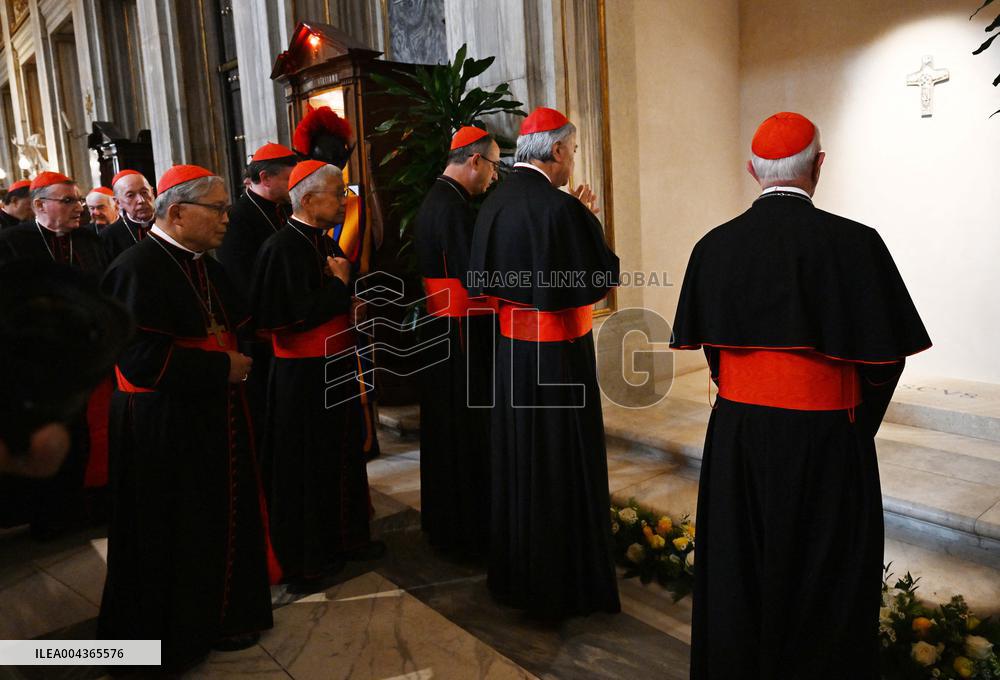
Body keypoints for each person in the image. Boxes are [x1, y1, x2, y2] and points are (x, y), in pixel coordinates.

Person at [670, 112, 932, 679]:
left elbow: (715, 354)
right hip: (826, 438)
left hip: (738, 437)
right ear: (819, 166)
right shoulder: (857, 244)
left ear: (752, 170)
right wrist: (851, 426)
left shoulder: (713, 246)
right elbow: (884, 360)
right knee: (825, 580)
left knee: (741, 568)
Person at [99, 164, 276, 672]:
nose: (227, 218)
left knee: (213, 520)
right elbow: (138, 359)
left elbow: (239, 322)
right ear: (177, 213)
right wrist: (221, 368)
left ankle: (223, 616)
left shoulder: (205, 265)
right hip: (161, 424)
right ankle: (175, 638)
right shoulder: (137, 268)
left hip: (211, 414)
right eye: (217, 209)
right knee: (173, 532)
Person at [467, 107, 621, 618]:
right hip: (559, 360)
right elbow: (601, 279)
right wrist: (587, 219)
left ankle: (518, 577)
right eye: (572, 151)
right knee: (559, 461)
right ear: (556, 151)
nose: (572, 160)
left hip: (512, 356)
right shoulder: (562, 209)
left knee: (520, 459)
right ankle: (564, 585)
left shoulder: (494, 202)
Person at [250, 160, 380, 594]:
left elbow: (336, 300)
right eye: (337, 193)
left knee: (343, 454)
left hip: (337, 364)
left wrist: (353, 304)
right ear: (307, 199)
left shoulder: (325, 241)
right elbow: (286, 317)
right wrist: (340, 288)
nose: (345, 200)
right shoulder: (280, 248)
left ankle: (346, 538)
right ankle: (309, 558)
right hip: (303, 376)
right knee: (307, 466)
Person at [0, 172, 107, 536]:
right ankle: (48, 518)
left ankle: (85, 509)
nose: (79, 208)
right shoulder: (13, 243)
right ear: (39, 205)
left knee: (85, 436)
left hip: (86, 358)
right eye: (68, 201)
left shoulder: (89, 241)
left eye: (78, 200)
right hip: (38, 363)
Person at [413, 126, 499, 557]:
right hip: (461, 332)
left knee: (446, 431)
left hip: (441, 330)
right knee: (464, 433)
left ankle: (446, 525)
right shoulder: (454, 207)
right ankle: (468, 533)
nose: (494, 176)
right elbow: (475, 276)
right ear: (475, 161)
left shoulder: (437, 198)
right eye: (494, 166)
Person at [293, 105, 382, 461]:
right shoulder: (311, 203)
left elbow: (360, 255)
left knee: (359, 372)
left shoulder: (353, 201)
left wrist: (346, 283)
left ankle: (366, 439)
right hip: (323, 302)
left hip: (349, 295)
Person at [216, 143, 297, 461]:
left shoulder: (284, 209)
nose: (294, 185)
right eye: (289, 178)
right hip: (261, 332)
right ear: (265, 178)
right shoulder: (238, 218)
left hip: (290, 323)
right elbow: (242, 280)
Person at [100, 169, 155, 264]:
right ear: (118, 202)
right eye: (130, 195)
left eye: (144, 192)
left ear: (152, 193)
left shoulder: (171, 224)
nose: (141, 200)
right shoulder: (108, 236)